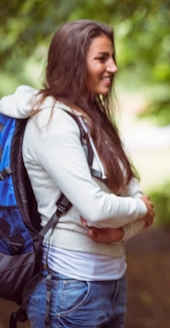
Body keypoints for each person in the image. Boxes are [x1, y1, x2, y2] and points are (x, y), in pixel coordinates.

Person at [0, 20, 155, 328]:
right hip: (70, 287)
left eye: (112, 57)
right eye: (101, 58)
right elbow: (97, 209)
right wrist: (141, 209)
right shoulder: (52, 121)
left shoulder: (95, 118)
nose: (113, 67)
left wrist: (122, 231)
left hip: (112, 282)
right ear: (73, 62)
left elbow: (131, 188)